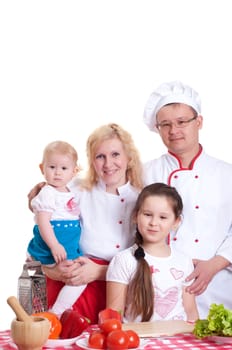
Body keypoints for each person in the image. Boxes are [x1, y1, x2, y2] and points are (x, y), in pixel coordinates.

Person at [28, 123, 144, 323]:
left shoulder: (141, 199)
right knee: (61, 333)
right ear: (91, 161)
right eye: (100, 156)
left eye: (115, 154)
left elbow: (148, 259)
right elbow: (44, 230)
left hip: (119, 285)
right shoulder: (74, 189)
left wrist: (100, 272)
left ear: (129, 157)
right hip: (72, 278)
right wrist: (51, 269)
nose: (108, 164)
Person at [142, 80, 232, 319]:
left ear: (199, 122)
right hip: (159, 289)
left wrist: (214, 264)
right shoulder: (143, 173)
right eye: (166, 124)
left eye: (182, 122)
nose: (174, 131)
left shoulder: (227, 174)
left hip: (216, 289)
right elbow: (102, 191)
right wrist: (48, 190)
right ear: (158, 128)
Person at [106, 183, 199, 322]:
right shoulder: (123, 260)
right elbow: (113, 317)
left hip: (178, 339)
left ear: (176, 221)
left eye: (163, 217)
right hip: (138, 341)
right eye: (148, 215)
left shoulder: (184, 261)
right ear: (135, 216)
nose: (154, 223)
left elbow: (191, 312)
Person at [26, 140, 86, 316]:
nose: (57, 172)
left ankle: (57, 312)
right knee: (77, 280)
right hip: (54, 247)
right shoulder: (47, 192)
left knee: (78, 273)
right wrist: (54, 246)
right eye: (52, 167)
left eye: (64, 168)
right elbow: (43, 221)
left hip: (67, 246)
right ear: (42, 168)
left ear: (74, 171)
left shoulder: (70, 191)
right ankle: (56, 313)